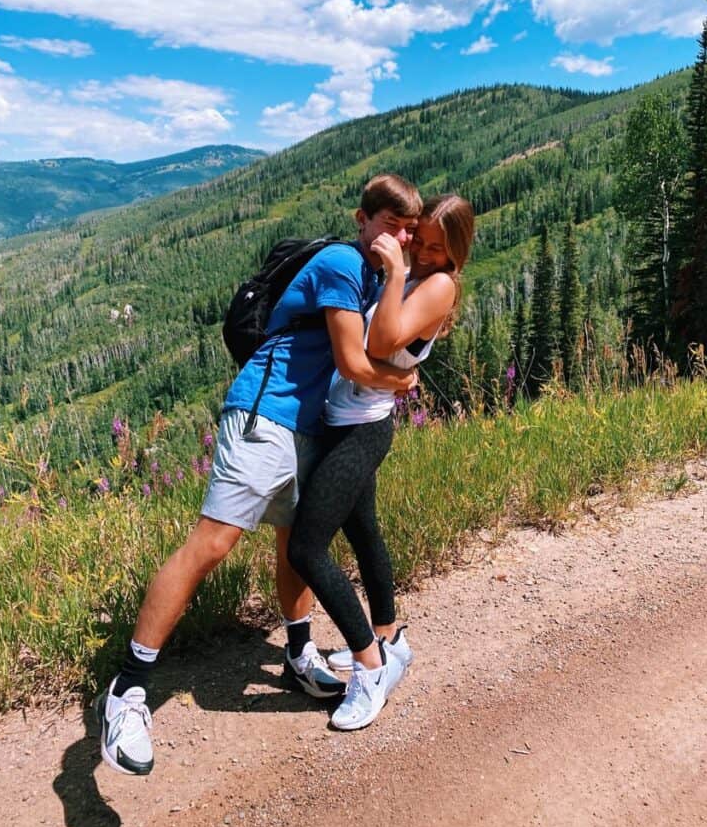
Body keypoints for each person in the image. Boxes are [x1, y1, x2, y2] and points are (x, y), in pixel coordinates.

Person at [95, 174, 423, 775]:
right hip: (263, 414)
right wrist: (401, 382)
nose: (400, 236)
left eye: (409, 228)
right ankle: (128, 689)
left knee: (292, 545)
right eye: (390, 224)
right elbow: (354, 360)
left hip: (307, 424)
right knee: (211, 544)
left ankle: (298, 654)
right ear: (363, 219)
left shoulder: (376, 273)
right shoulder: (341, 264)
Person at [288, 194, 475, 730]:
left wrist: (395, 272)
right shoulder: (415, 273)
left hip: (363, 428)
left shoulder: (437, 284)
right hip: (344, 419)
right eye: (422, 241)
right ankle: (390, 639)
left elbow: (383, 338)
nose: (426, 255)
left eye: (441, 249)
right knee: (364, 531)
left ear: (456, 253)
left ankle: (371, 671)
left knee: (306, 547)